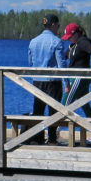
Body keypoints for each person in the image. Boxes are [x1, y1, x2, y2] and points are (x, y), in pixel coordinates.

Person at [27, 14, 67, 143]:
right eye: (58, 26)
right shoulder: (56, 41)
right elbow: (61, 64)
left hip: (37, 80)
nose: (58, 28)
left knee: (38, 110)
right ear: (54, 25)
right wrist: (66, 82)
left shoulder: (33, 41)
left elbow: (30, 62)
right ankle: (51, 139)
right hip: (53, 81)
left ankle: (37, 138)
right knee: (53, 111)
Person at [62, 22, 91, 118]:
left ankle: (55, 130)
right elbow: (63, 57)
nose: (69, 39)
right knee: (84, 104)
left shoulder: (83, 42)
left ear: (76, 34)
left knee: (64, 105)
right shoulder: (72, 46)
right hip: (75, 77)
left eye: (70, 37)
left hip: (79, 77)